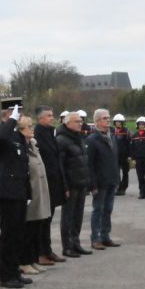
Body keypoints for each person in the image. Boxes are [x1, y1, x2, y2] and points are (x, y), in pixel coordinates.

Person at [0, 99, 31, 288]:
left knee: (18, 234)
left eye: (20, 111)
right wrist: (11, 121)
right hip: (6, 191)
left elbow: (23, 166)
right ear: (6, 114)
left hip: (19, 191)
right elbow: (0, 139)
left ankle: (15, 271)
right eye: (16, 111)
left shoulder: (17, 135)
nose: (19, 115)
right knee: (8, 234)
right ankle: (6, 276)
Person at [33, 106, 66, 266]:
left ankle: (47, 250)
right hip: (43, 182)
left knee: (49, 218)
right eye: (49, 115)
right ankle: (40, 253)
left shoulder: (50, 132)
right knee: (42, 220)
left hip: (53, 181)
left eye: (52, 115)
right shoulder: (37, 134)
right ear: (40, 119)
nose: (52, 118)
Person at [19, 115, 51, 275]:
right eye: (28, 127)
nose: (32, 129)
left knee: (36, 229)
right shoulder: (21, 148)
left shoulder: (33, 145)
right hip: (30, 195)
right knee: (28, 231)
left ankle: (33, 259)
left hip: (40, 194)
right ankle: (24, 261)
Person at [57, 109, 91, 256]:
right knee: (68, 216)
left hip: (81, 183)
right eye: (77, 121)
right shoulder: (61, 140)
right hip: (70, 185)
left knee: (78, 216)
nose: (81, 123)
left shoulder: (78, 137)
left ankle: (76, 243)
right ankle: (67, 246)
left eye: (81, 121)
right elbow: (60, 166)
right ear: (68, 123)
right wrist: (64, 186)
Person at [86, 108, 121, 250]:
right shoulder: (92, 140)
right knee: (98, 210)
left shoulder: (111, 137)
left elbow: (114, 159)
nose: (109, 120)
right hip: (99, 183)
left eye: (108, 117)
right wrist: (92, 185)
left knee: (108, 210)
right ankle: (95, 238)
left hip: (111, 180)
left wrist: (117, 179)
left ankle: (106, 236)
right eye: (105, 118)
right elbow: (89, 165)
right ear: (97, 121)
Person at [112, 114, 131, 195]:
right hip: (115, 155)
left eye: (120, 122)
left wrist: (130, 155)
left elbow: (131, 144)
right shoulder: (112, 131)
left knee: (125, 172)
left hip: (125, 155)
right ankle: (118, 187)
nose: (118, 123)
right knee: (116, 172)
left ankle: (123, 188)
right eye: (117, 122)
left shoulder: (127, 131)